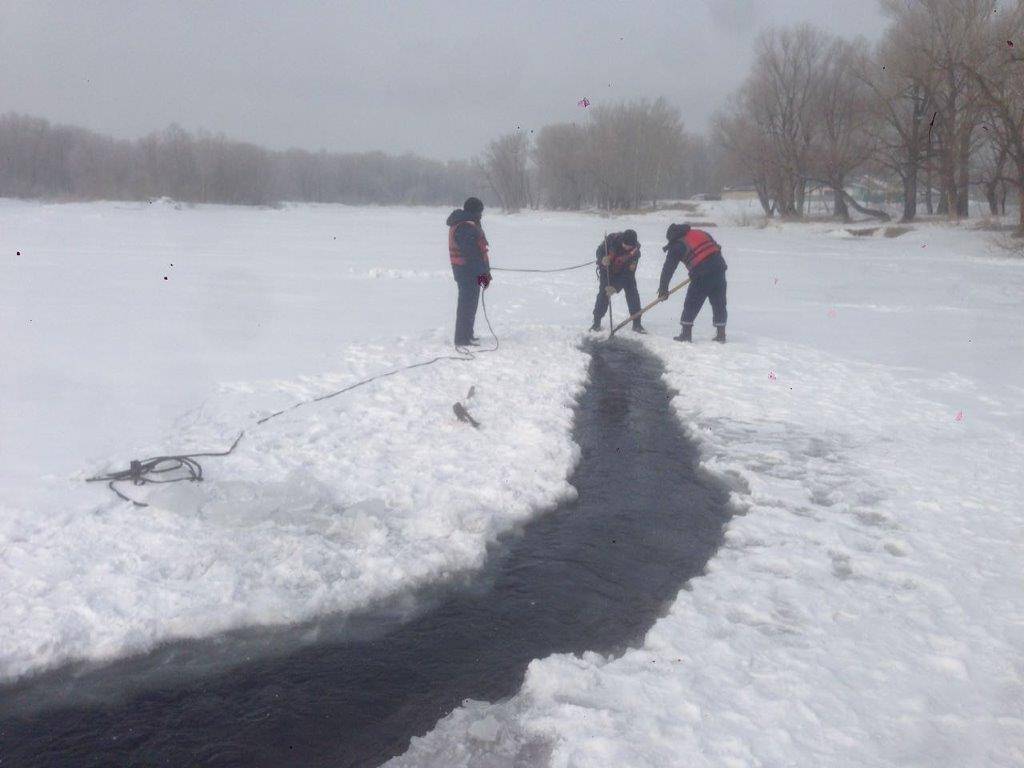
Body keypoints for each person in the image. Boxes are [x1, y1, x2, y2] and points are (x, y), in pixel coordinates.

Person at [658, 223, 727, 342]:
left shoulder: (677, 246)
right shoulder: (700, 232)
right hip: (719, 269)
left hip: (701, 275)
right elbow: (717, 248)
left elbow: (668, 269)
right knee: (719, 302)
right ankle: (721, 334)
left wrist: (663, 289)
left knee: (692, 302)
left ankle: (686, 334)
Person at [446, 197, 492, 346]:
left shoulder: (468, 224)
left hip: (471, 271)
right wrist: (483, 275)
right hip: (467, 272)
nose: (481, 215)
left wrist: (485, 273)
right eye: (480, 212)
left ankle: (468, 334)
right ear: (474, 211)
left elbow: (478, 254)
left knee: (471, 304)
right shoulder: (465, 227)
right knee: (466, 305)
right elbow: (472, 255)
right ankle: (461, 339)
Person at [590, 229, 646, 333]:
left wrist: (615, 287)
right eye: (625, 244)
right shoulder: (612, 239)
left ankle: (637, 323)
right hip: (607, 270)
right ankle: (596, 322)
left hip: (624, 274)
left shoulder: (635, 254)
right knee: (603, 294)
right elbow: (599, 251)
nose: (626, 247)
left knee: (632, 293)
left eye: (629, 246)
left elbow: (628, 275)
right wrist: (602, 259)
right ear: (622, 241)